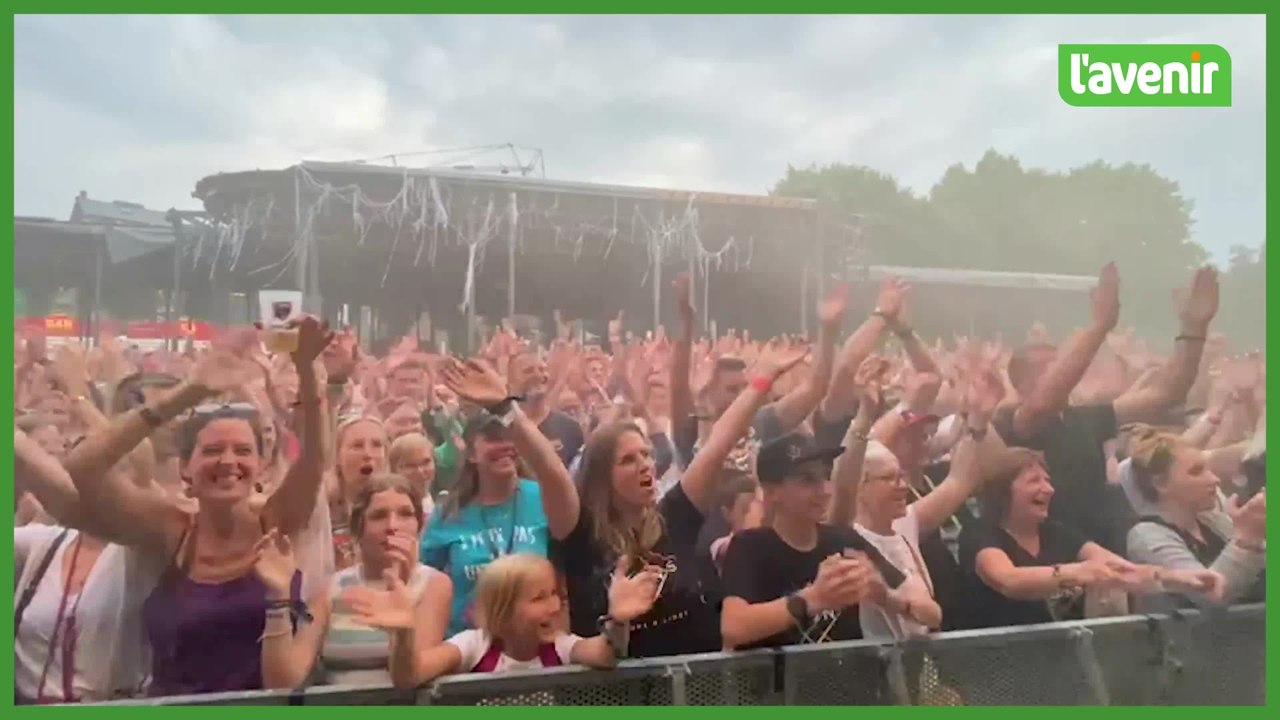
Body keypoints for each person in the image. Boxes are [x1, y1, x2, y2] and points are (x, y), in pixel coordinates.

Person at [57, 318, 331, 696]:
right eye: (213, 450)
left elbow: (315, 458)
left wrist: (306, 369)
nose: (228, 461)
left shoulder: (277, 519)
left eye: (243, 451)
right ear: (185, 467)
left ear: (262, 467)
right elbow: (83, 466)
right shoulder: (172, 529)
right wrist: (190, 391)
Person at [557, 344, 808, 659]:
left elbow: (718, 444)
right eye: (628, 460)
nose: (645, 464)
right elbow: (549, 475)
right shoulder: (582, 535)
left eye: (647, 454)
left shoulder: (674, 515)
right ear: (601, 475)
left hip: (696, 692)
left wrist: (762, 381)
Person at [993, 264, 1220, 552]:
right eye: (1048, 367)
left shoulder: (1086, 417)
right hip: (1057, 554)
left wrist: (1193, 328)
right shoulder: (1018, 423)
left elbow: (1167, 393)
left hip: (1108, 544)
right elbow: (1042, 402)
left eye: (1059, 361)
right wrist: (1099, 326)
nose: (1064, 369)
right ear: (1021, 383)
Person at [958, 448, 1216, 629]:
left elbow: (1122, 570)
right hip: (996, 665)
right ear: (1002, 491)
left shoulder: (1057, 532)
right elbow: (1008, 580)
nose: (1048, 489)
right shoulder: (981, 533)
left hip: (1058, 661)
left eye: (1048, 480)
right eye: (1033, 481)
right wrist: (1079, 572)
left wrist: (1178, 578)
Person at [421, 359, 578, 636]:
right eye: (493, 438)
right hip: (468, 656)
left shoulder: (543, 497)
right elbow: (423, 585)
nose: (505, 445)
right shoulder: (448, 512)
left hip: (536, 652)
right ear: (470, 453)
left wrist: (506, 407)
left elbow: (554, 473)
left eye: (510, 437)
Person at [250, 474, 452, 687]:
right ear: (358, 529)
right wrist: (278, 596)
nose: (393, 525)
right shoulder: (331, 589)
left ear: (419, 525)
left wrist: (401, 629)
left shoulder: (434, 584)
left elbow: (409, 678)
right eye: (379, 516)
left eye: (405, 514)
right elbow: (282, 683)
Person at [354, 553, 655, 686]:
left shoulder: (559, 646)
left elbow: (603, 654)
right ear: (503, 610)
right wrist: (404, 635)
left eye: (554, 594)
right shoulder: (475, 645)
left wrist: (617, 621)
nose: (553, 606)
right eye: (539, 598)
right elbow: (410, 675)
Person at [14, 430, 158, 703]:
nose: (89, 483)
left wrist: (80, 398)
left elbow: (143, 452)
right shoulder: (43, 543)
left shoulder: (143, 548)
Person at [1124, 427, 1264, 611]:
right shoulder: (1146, 536)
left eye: (1209, 469)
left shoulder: (1213, 522)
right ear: (1161, 484)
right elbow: (1208, 595)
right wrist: (1246, 539)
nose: (1214, 479)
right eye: (1197, 472)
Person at [329, 416, 390, 570]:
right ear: (337, 456)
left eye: (376, 445)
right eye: (357, 446)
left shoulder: (402, 506)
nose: (368, 454)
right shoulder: (322, 510)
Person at [508, 350, 584, 467]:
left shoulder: (570, 428)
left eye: (542, 370)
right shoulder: (500, 427)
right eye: (528, 371)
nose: (538, 375)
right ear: (510, 383)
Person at [389, 432, 439, 516]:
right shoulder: (390, 510)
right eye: (410, 465)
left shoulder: (442, 502)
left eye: (426, 462)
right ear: (394, 470)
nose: (420, 471)